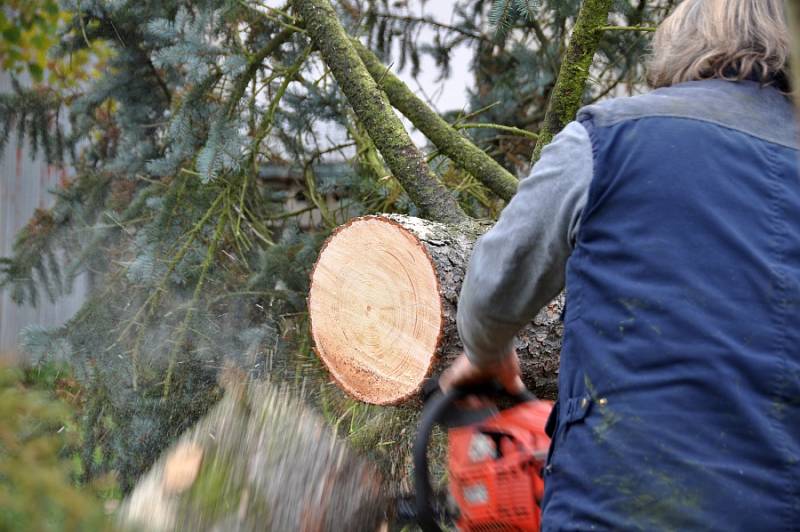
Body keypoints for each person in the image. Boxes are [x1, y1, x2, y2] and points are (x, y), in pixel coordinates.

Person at [440, 0, 800, 529]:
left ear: (680, 47)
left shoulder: (605, 139)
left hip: (614, 509)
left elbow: (492, 288)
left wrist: (488, 353)